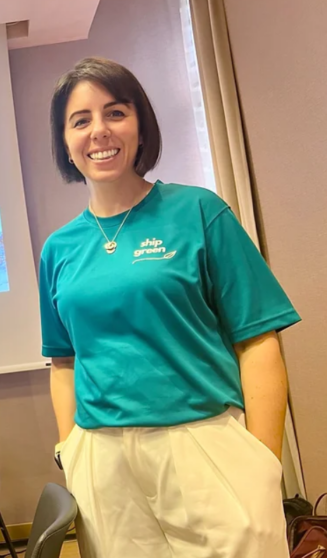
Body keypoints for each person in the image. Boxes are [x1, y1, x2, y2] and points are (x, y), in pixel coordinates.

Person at [39, 57, 301, 558]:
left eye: (115, 112)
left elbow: (258, 340)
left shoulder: (198, 211)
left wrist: (263, 463)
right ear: (65, 142)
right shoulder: (59, 249)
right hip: (103, 462)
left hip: (203, 442)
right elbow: (63, 362)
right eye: (81, 120)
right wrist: (70, 449)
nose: (99, 131)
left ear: (141, 127)